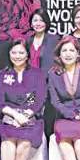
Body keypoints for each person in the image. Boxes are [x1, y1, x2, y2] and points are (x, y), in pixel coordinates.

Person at [0, 39, 47, 160]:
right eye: (14, 52)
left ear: (27, 54)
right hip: (9, 114)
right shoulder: (3, 74)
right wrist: (15, 115)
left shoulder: (37, 73)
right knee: (8, 140)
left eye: (21, 52)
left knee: (24, 143)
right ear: (9, 54)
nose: (17, 56)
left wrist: (26, 114)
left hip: (30, 115)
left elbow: (40, 98)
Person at [26, 8, 59, 138]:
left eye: (41, 20)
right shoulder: (28, 41)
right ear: (31, 23)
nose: (38, 23)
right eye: (35, 20)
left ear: (46, 23)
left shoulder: (53, 39)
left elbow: (53, 65)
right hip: (29, 84)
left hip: (46, 84)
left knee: (48, 118)